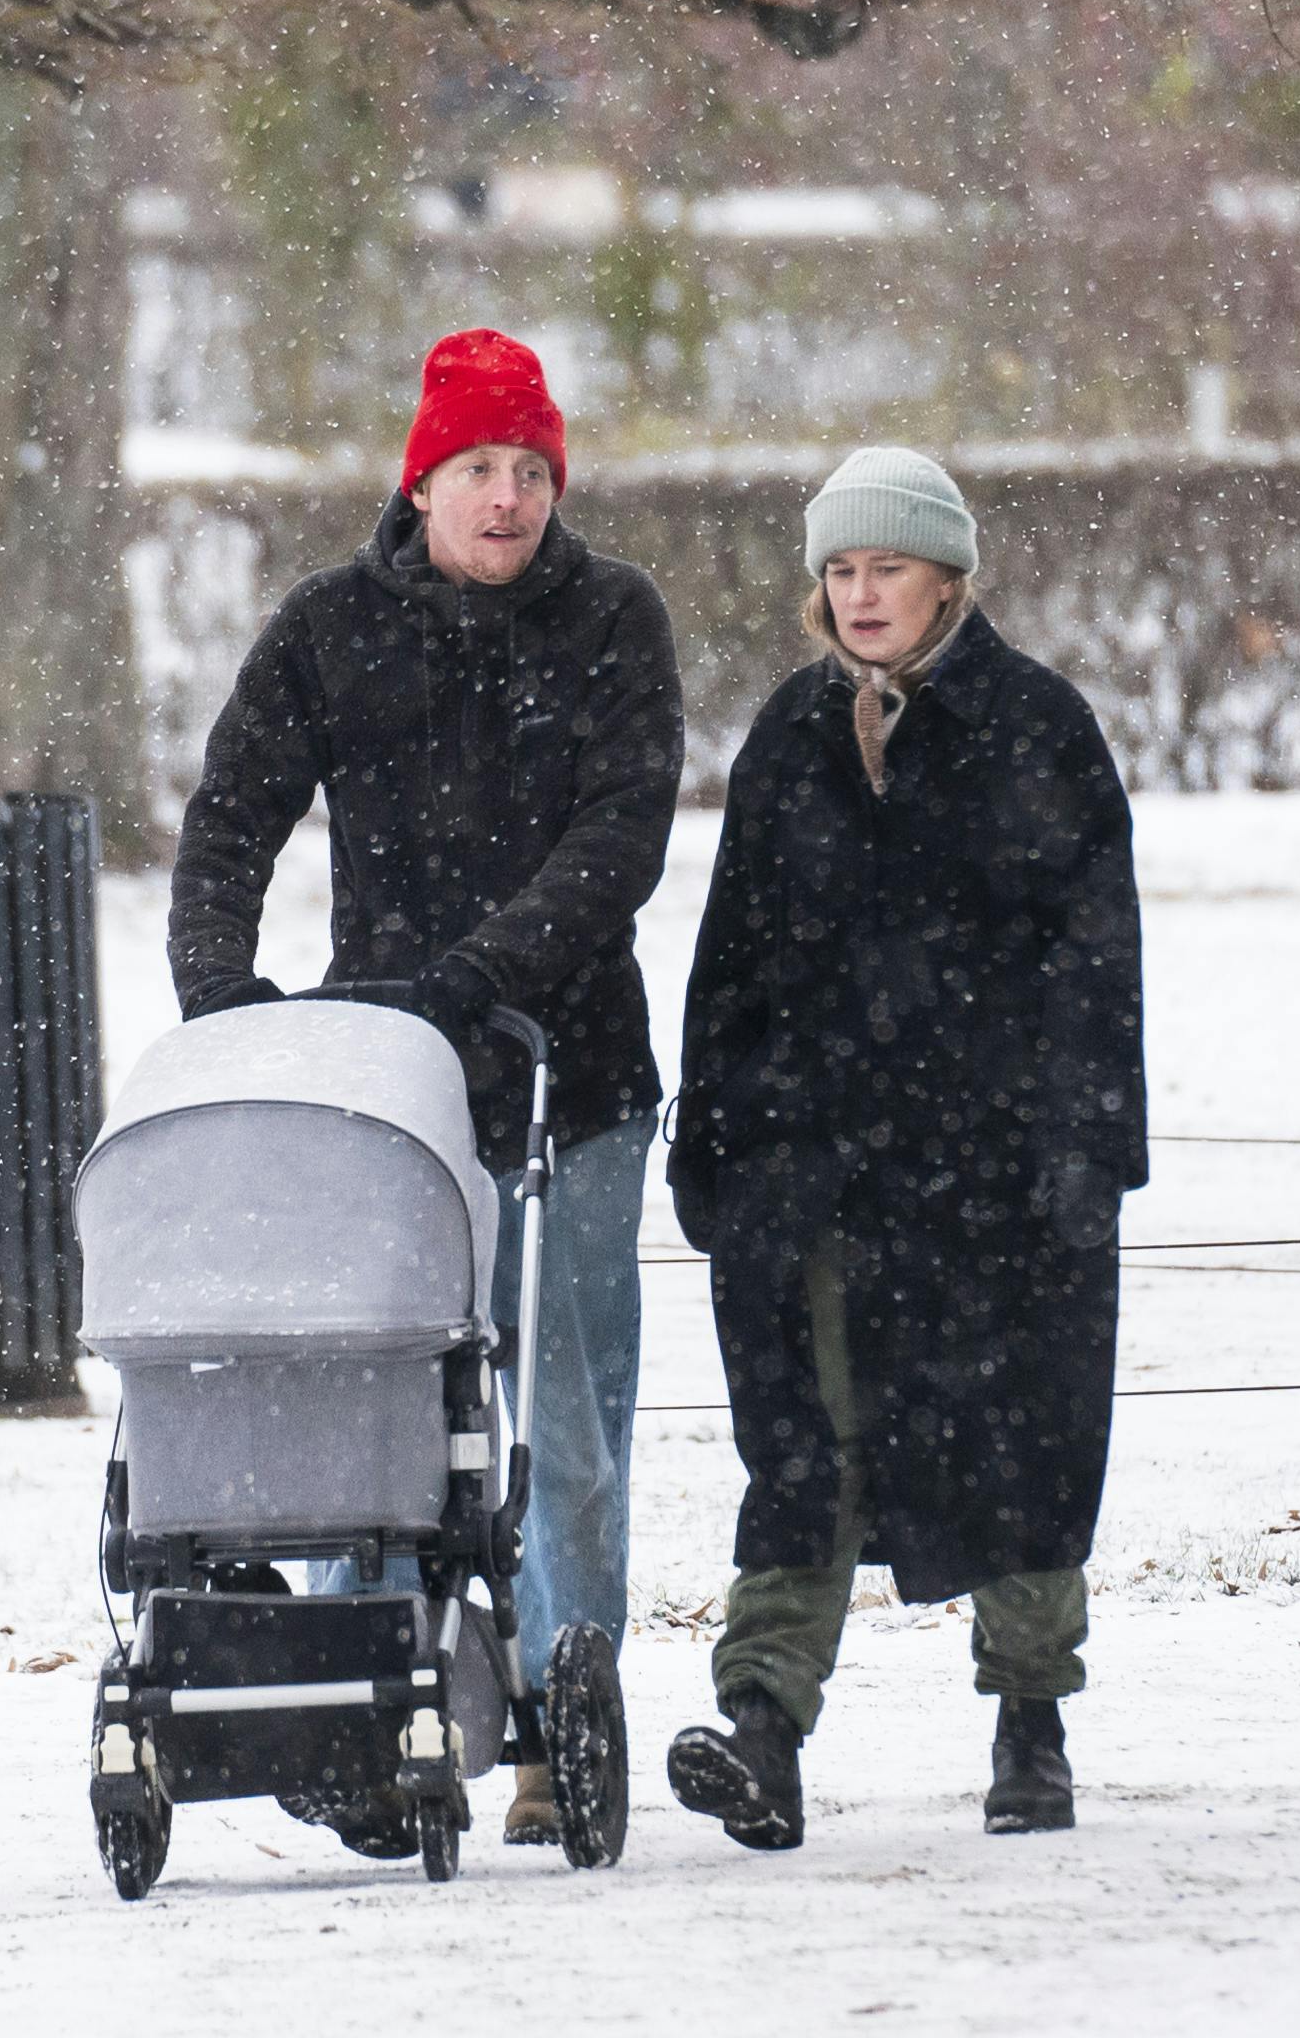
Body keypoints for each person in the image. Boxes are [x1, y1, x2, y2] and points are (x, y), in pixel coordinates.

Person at [169, 328, 684, 1851]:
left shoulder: (613, 621)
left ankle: (553, 1725)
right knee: (375, 1407)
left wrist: (484, 972)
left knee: (561, 1428)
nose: (507, 498)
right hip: (383, 1092)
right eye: (477, 469)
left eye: (530, 470)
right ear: (421, 483)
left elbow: (621, 837)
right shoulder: (331, 629)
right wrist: (218, 992)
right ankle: (365, 1722)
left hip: (569, 1076)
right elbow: (232, 813)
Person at [659, 445, 1144, 1849]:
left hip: (992, 1171)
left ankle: (1030, 1722)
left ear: (948, 578)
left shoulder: (1036, 727)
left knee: (1016, 1436)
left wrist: (1088, 1144)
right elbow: (730, 956)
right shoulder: (789, 734)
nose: (860, 593)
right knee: (803, 1443)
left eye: (888, 566)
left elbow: (1094, 956)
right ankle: (762, 1728)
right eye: (840, 569)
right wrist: (713, 1135)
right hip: (814, 1169)